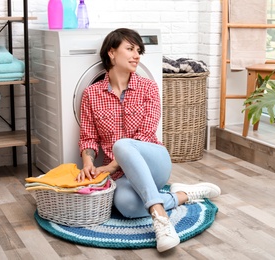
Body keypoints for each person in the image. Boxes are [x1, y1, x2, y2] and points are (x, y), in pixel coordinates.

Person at [76, 28, 221, 253]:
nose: (137, 55)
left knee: (122, 144)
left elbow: (145, 134)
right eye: (130, 49)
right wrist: (88, 164)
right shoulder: (91, 94)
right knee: (127, 206)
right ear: (112, 53)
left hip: (155, 162)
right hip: (121, 175)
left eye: (139, 50)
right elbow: (88, 137)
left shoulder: (148, 88)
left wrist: (109, 165)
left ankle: (160, 220)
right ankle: (183, 195)